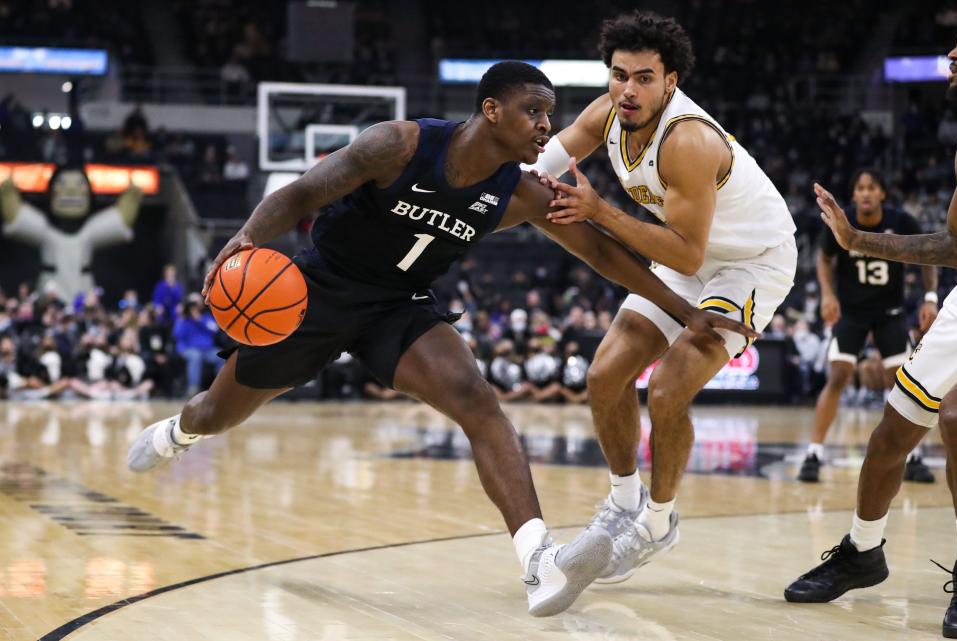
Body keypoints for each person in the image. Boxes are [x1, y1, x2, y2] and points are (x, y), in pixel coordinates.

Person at [125, 61, 756, 617]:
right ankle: (176, 433)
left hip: (398, 308)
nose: (546, 127)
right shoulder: (395, 146)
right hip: (316, 294)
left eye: (550, 115)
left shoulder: (519, 193)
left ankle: (540, 560)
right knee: (216, 413)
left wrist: (682, 306)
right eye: (533, 111)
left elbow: (598, 251)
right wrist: (248, 238)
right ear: (491, 110)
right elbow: (301, 193)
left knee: (479, 403)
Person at [527, 11, 796, 582]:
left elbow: (688, 256)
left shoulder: (689, 141)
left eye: (644, 77)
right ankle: (623, 502)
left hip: (748, 262)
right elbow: (534, 170)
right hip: (683, 250)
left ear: (670, 81)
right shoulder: (606, 115)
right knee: (604, 376)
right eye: (619, 74)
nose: (628, 89)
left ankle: (657, 521)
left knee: (669, 390)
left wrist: (599, 211)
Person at [784, 35, 957, 638]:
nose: (952, 58)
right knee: (893, 429)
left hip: (903, 310)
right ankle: (863, 551)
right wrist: (859, 242)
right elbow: (956, 245)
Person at [798, 169, 938, 483]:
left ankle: (912, 456)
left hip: (890, 312)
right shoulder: (843, 220)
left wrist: (929, 297)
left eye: (871, 187)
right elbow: (823, 257)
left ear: (882, 194)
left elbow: (929, 255)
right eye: (860, 187)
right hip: (852, 311)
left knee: (901, 384)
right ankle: (814, 453)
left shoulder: (901, 222)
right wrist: (827, 293)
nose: (865, 193)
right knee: (837, 377)